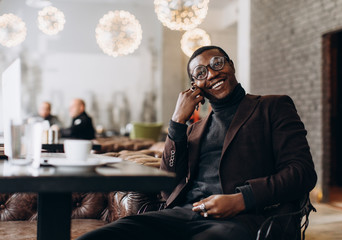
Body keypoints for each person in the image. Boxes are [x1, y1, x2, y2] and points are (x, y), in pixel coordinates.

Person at [76, 46, 317, 240]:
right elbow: (167, 186)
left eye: (217, 63)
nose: (211, 74)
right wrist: (176, 123)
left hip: (244, 217)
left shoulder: (271, 107)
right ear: (195, 85)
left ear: (230, 65)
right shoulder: (194, 129)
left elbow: (302, 172)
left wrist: (242, 198)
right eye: (200, 73)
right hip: (185, 213)